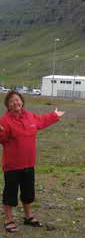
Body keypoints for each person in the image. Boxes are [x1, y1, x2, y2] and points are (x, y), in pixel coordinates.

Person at [0, 90, 64, 233]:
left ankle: (28, 217)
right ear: (8, 106)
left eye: (17, 100)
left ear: (22, 101)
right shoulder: (4, 120)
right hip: (12, 166)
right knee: (10, 193)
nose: (15, 103)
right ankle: (8, 220)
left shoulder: (29, 116)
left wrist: (54, 115)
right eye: (12, 101)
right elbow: (2, 139)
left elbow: (41, 120)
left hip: (29, 164)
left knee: (28, 193)